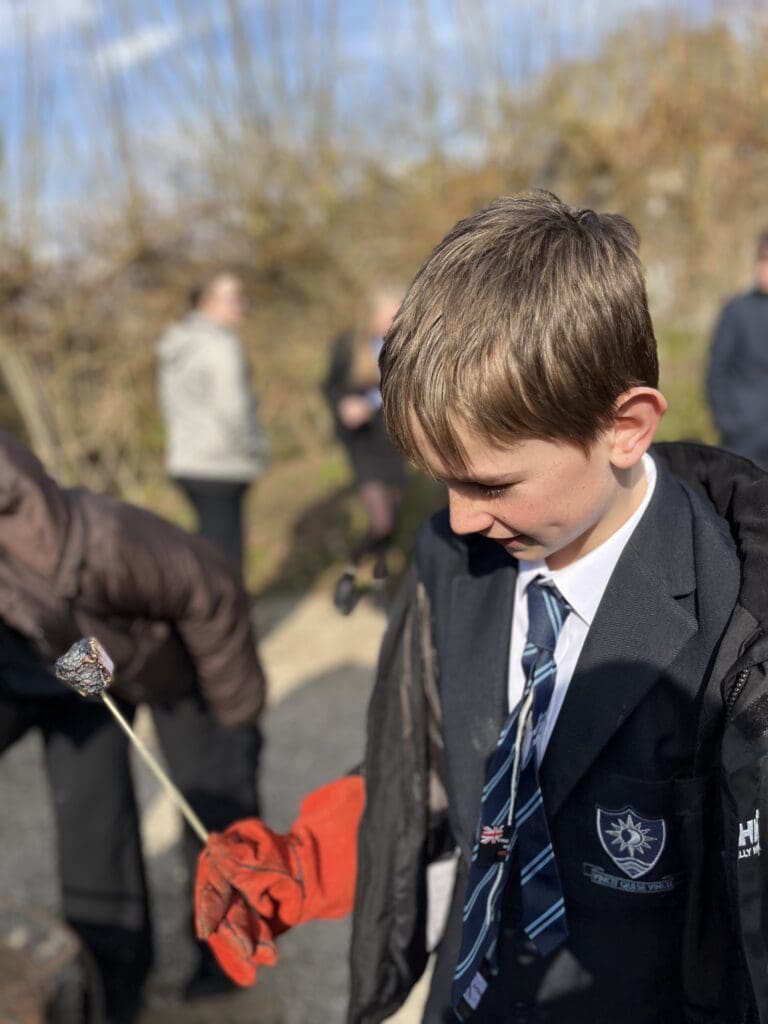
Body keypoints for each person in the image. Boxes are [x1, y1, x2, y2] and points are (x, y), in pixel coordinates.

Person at [193, 192, 768, 1023]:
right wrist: (304, 860)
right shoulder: (451, 562)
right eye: (440, 477)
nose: (460, 517)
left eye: (492, 483)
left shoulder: (735, 620)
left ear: (627, 427)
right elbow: (435, 771)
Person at [0, 428, 266, 1023]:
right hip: (78, 668)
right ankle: (114, 979)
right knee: (92, 822)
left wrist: (237, 720)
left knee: (213, 796)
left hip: (181, 666)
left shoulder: (110, 541)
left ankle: (225, 951)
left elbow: (213, 591)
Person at [157, 271, 269, 576]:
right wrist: (256, 450)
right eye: (234, 298)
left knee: (209, 549)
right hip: (221, 463)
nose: (242, 304)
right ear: (207, 303)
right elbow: (233, 411)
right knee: (225, 559)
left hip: (186, 461)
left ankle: (212, 617)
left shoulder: (177, 345)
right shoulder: (221, 346)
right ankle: (225, 621)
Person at [324, 287, 406, 614]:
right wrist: (345, 407)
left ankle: (378, 584)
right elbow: (330, 388)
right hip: (364, 445)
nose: (395, 320)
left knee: (393, 517)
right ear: (373, 316)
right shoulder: (349, 348)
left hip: (393, 442)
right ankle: (349, 573)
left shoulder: (403, 348)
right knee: (381, 521)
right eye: (390, 314)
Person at [707, 228, 768, 466]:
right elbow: (716, 372)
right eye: (764, 261)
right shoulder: (736, 311)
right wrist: (729, 422)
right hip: (743, 437)